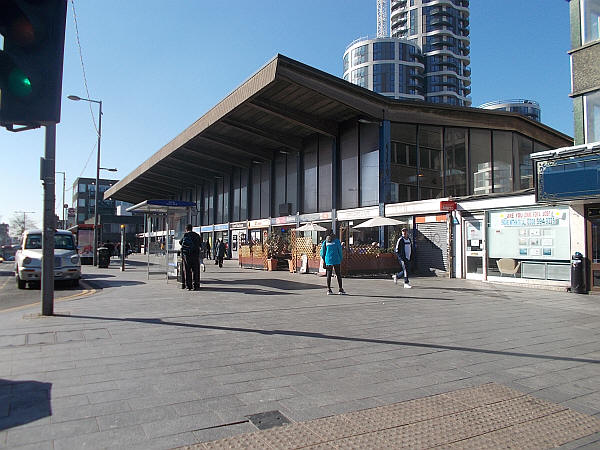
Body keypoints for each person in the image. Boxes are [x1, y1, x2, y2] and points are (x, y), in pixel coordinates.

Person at [320, 231, 345, 295]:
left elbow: (322, 253)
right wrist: (341, 258)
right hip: (336, 259)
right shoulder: (337, 241)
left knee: (328, 275)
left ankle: (329, 289)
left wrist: (324, 259)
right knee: (338, 274)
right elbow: (340, 250)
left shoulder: (325, 242)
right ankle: (340, 289)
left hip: (328, 260)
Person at [179, 224, 201, 291]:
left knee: (187, 270)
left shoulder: (185, 235)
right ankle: (196, 285)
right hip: (195, 255)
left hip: (187, 256)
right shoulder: (197, 235)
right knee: (195, 270)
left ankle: (188, 286)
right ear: (192, 228)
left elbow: (180, 242)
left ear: (186, 229)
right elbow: (200, 244)